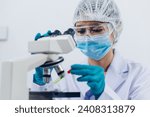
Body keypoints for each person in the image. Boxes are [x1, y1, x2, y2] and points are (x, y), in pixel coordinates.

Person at [32, 0, 150, 100]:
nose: (87, 37)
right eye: (81, 31)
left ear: (114, 31)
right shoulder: (67, 77)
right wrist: (41, 84)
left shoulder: (139, 74)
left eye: (97, 29)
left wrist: (103, 93)